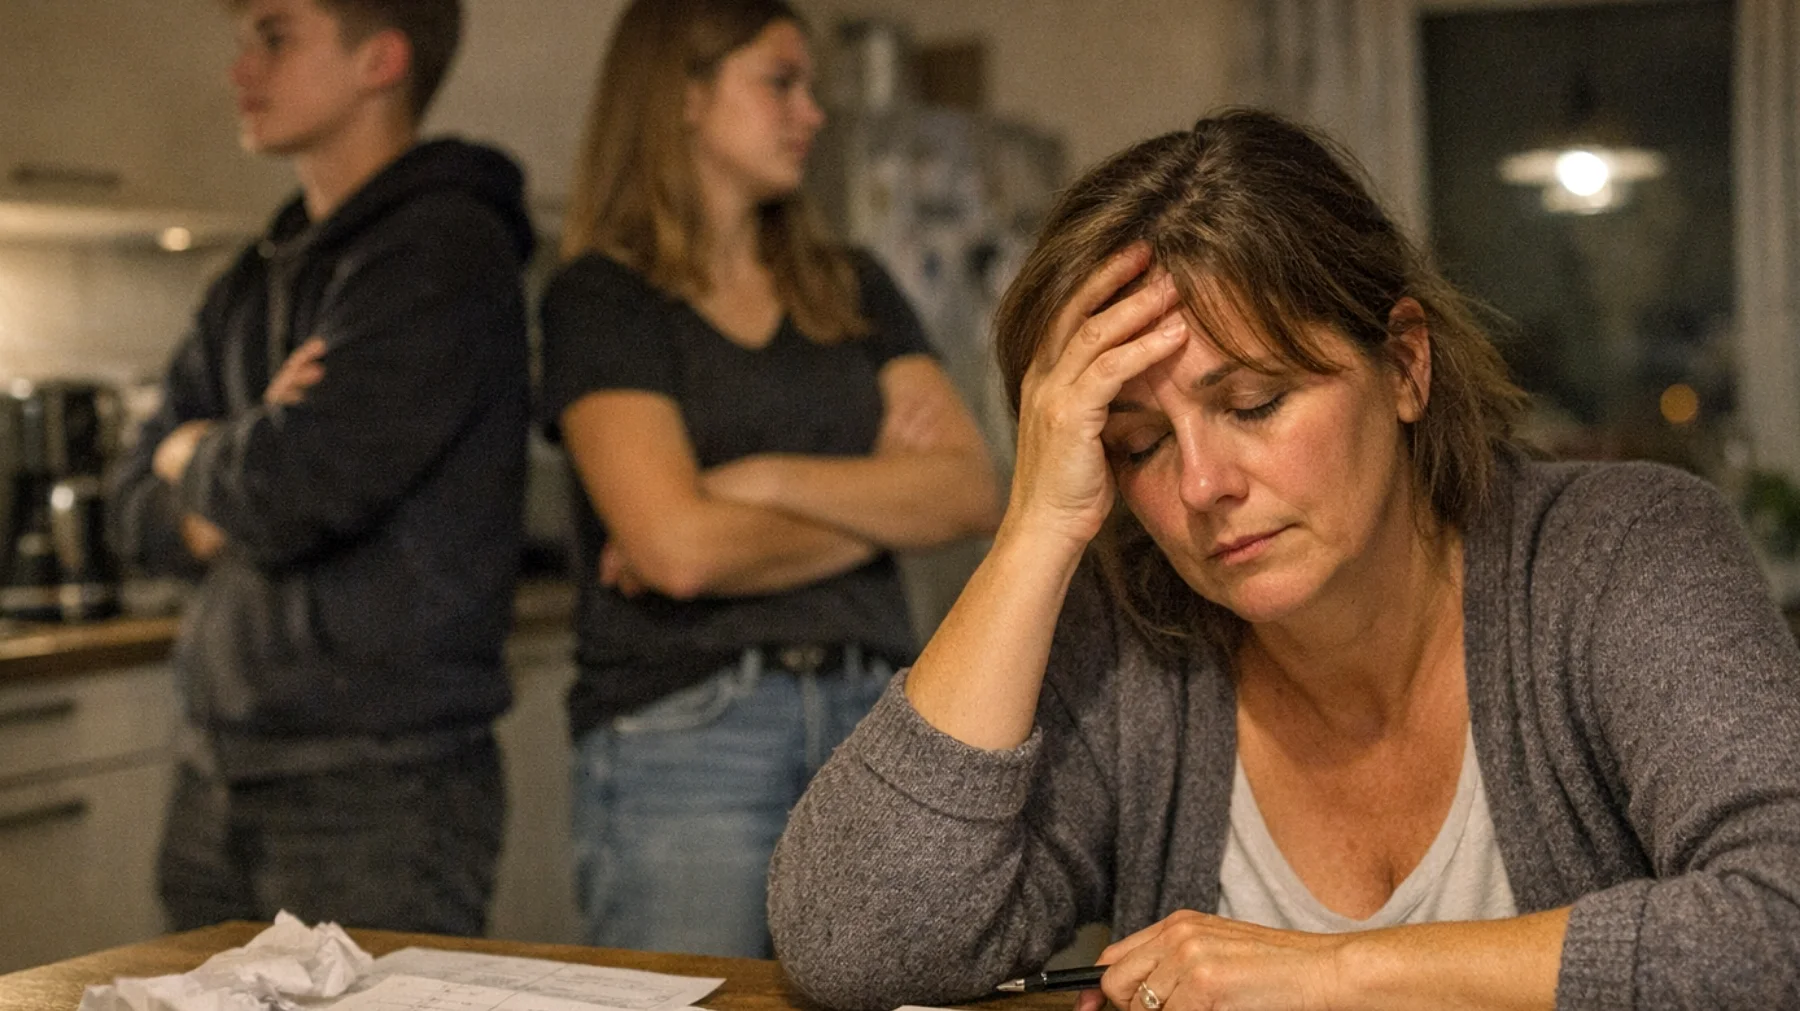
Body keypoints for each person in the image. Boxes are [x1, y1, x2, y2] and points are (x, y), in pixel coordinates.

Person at [767, 108, 1800, 1009]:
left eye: (1254, 403)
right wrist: (1034, 527)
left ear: (1404, 364)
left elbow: (1781, 921)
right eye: (1139, 444)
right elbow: (851, 943)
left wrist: (1331, 973)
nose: (1201, 483)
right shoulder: (1133, 632)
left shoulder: (1620, 553)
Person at [538, 0, 1002, 959]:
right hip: (689, 729)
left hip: (875, 715)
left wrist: (753, 480)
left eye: (811, 89)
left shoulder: (852, 282)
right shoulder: (603, 298)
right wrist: (882, 495)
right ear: (684, 95)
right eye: (780, 83)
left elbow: (968, 491)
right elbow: (677, 552)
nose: (812, 114)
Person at [109, 0, 533, 935]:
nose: (240, 71)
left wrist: (194, 451)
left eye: (275, 36)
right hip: (215, 768)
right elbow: (131, 510)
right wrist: (247, 443)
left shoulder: (442, 250)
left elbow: (292, 490)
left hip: (381, 785)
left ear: (380, 60)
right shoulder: (250, 277)